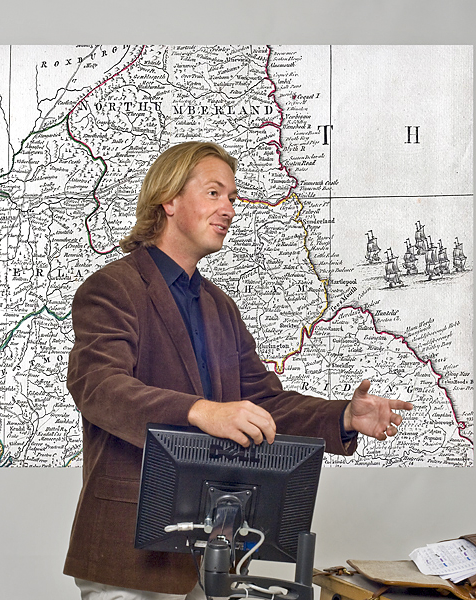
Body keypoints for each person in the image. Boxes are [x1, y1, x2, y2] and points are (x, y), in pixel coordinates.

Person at [64, 141, 412, 599]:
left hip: (211, 552)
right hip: (129, 554)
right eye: (214, 193)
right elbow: (99, 388)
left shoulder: (218, 306)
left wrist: (342, 417)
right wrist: (201, 411)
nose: (229, 207)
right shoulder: (112, 287)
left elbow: (262, 402)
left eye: (232, 196)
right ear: (168, 200)